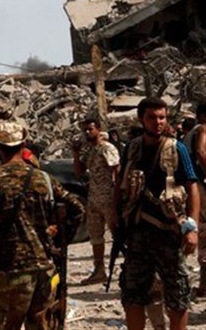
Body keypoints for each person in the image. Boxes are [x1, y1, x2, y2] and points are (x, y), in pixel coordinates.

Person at [0, 121, 84, 330]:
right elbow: (77, 209)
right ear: (23, 146)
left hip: (10, 268)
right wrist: (58, 241)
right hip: (44, 267)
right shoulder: (44, 178)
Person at [115, 97, 199, 330]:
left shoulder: (177, 148)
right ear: (141, 119)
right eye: (152, 117)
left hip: (168, 233)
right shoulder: (132, 148)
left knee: (178, 295)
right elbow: (119, 185)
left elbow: (192, 187)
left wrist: (191, 227)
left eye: (162, 117)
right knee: (132, 294)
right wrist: (115, 218)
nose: (158, 122)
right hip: (137, 233)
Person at [71, 118, 120, 284]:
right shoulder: (92, 151)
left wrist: (118, 199)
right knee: (95, 236)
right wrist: (76, 154)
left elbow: (117, 171)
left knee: (118, 235)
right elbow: (79, 172)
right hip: (94, 199)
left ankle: (131, 268)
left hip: (108, 198)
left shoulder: (107, 148)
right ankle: (99, 270)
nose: (87, 132)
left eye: (90, 129)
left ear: (98, 129)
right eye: (84, 130)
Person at [183, 103, 206, 296]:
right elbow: (201, 151)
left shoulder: (189, 134)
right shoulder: (202, 129)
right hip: (201, 186)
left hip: (193, 187)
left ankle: (204, 284)